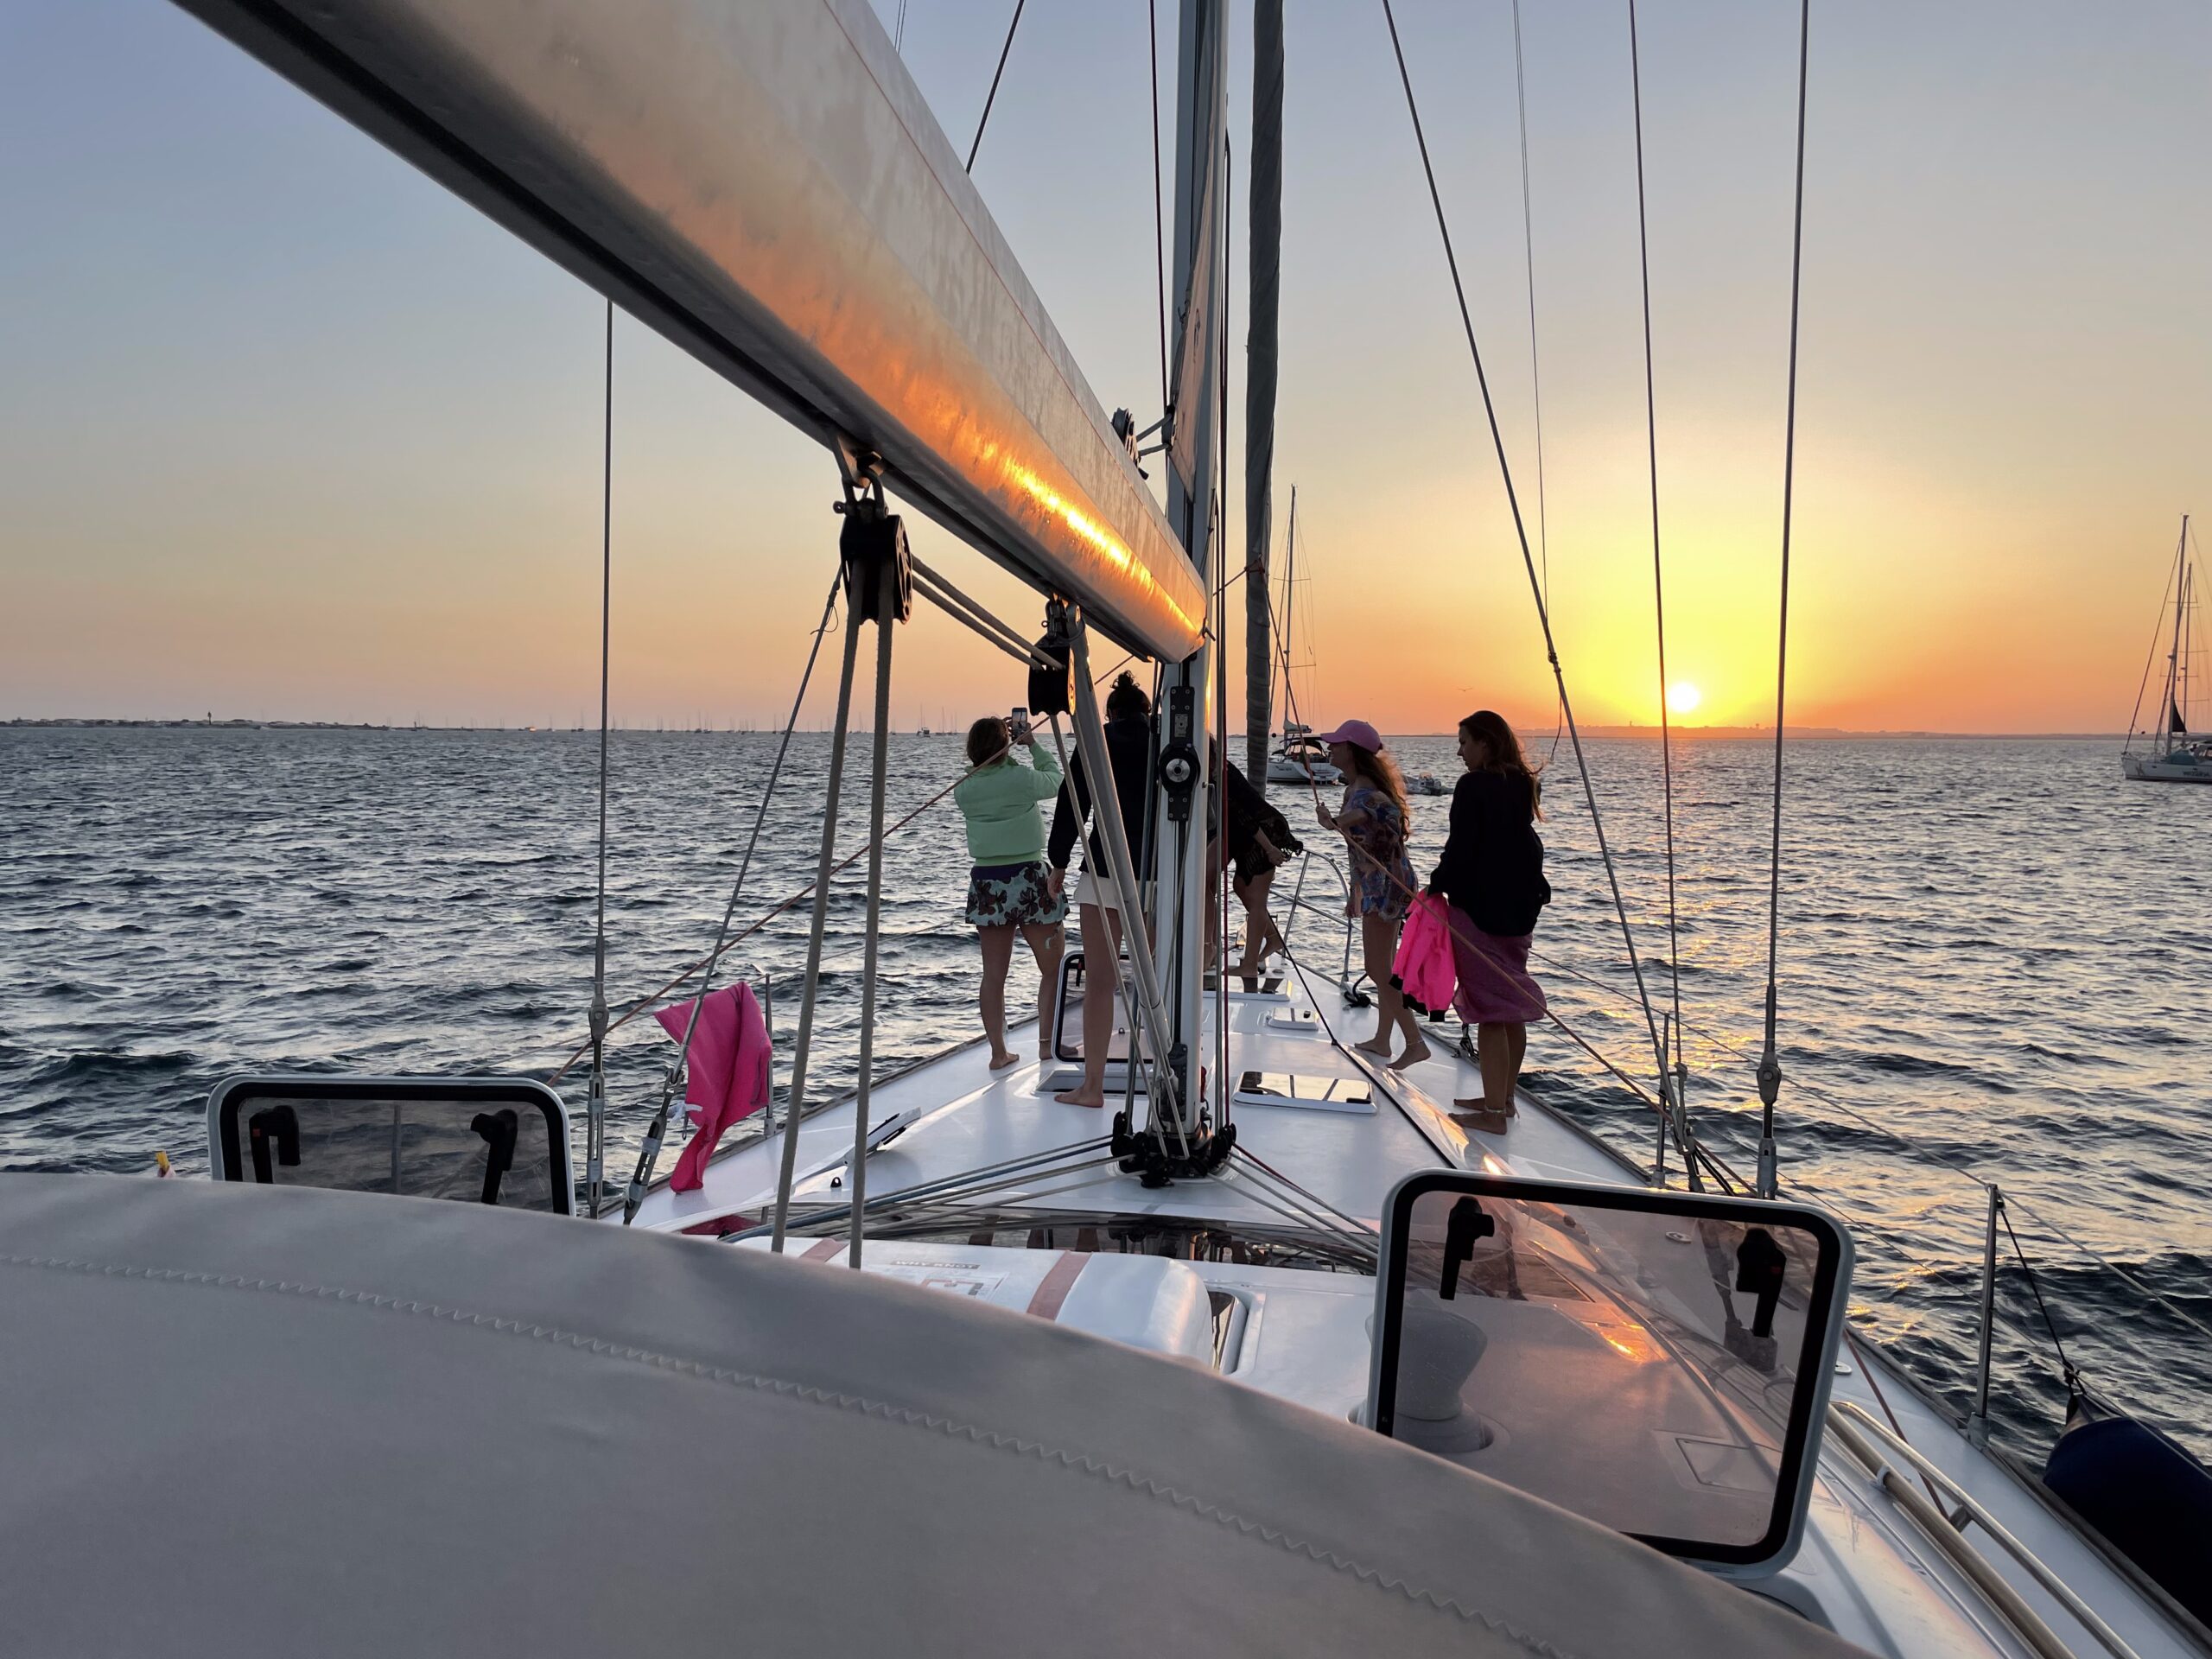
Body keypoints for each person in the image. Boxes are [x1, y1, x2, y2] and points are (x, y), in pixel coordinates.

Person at [1428, 709, 1550, 1130]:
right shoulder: (1524, 784)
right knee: (1509, 1005)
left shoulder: (1473, 786)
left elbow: (1461, 848)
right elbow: (1514, 844)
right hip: (1521, 912)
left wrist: (1434, 886)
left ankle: (1494, 1114)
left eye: (1464, 742)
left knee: (1491, 1009)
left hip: (1480, 910)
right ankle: (1504, 1098)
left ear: (1486, 742)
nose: (1459, 752)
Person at [1046, 671, 1155, 1107]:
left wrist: (1058, 861)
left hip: (1105, 868)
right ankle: (1171, 1078)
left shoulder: (1099, 740)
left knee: (1099, 983)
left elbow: (1072, 801)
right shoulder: (1167, 741)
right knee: (1160, 980)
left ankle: (1092, 1087)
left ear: (1110, 713)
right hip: (1158, 872)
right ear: (1147, 711)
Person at [1312, 719, 1427, 1070]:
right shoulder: (1355, 789)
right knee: (1384, 967)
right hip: (1379, 884)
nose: (1329, 748)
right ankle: (1382, 1039)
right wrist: (1356, 892)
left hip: (1387, 886)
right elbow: (1359, 851)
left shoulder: (1367, 794)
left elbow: (1370, 815)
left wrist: (1335, 822)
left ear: (1352, 750)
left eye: (1336, 744)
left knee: (1376, 968)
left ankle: (1415, 1042)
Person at [953, 712, 1066, 1071]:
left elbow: (989, 778)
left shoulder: (964, 789)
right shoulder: (1020, 779)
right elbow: (1057, 782)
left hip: (987, 883)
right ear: (1006, 744)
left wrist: (1005, 754)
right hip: (1030, 878)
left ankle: (998, 1052)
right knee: (1052, 969)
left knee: (993, 975)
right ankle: (1046, 1046)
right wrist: (1030, 745)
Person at [1217, 753, 1300, 977]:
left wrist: (1270, 849)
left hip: (1264, 831)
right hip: (1246, 834)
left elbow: (1244, 817)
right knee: (1240, 886)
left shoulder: (1219, 774)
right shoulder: (1218, 768)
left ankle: (1250, 966)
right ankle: (1273, 939)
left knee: (1256, 899)